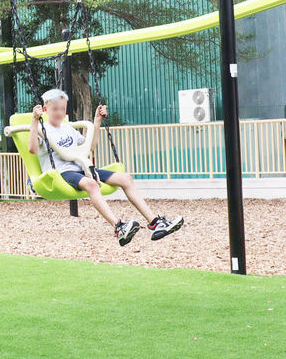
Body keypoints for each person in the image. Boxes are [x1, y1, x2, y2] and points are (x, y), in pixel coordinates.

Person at [30, 89, 184, 246]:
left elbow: (91, 147)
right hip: (62, 173)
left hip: (82, 168)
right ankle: (119, 227)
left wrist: (97, 121)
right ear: (45, 110)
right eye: (55, 109)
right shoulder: (43, 129)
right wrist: (35, 121)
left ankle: (155, 223)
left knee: (126, 179)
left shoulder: (68, 128)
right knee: (91, 184)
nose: (59, 112)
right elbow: (32, 149)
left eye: (62, 109)